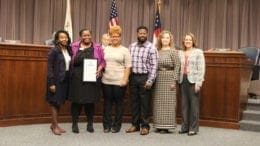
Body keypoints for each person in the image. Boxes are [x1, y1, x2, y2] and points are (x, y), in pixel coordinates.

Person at [69, 29, 105, 133]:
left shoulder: (98, 47)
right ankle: (74, 124)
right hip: (77, 78)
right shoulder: (74, 46)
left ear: (91, 35)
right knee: (77, 102)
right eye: (84, 35)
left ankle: (90, 124)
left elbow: (103, 61)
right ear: (81, 36)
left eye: (88, 35)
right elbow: (70, 60)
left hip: (92, 78)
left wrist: (100, 68)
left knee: (90, 102)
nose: (87, 37)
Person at [126, 26, 158, 135]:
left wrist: (150, 81)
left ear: (147, 34)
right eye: (140, 33)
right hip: (133, 77)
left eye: (144, 33)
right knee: (134, 102)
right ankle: (135, 125)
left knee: (145, 104)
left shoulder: (151, 47)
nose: (142, 35)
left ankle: (145, 126)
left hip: (145, 77)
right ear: (137, 34)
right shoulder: (131, 47)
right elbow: (128, 63)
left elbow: (154, 66)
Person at [102, 26, 132, 133]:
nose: (114, 38)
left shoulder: (125, 50)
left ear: (120, 37)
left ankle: (116, 125)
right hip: (106, 80)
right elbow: (101, 63)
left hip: (119, 81)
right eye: (112, 36)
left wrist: (125, 79)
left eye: (117, 36)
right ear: (110, 37)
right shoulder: (105, 49)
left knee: (119, 104)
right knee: (107, 103)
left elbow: (128, 66)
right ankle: (106, 125)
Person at [153, 30, 180, 133]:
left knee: (168, 103)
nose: (165, 39)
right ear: (160, 39)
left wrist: (174, 80)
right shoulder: (157, 51)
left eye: (167, 38)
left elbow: (177, 66)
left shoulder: (173, 51)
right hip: (159, 78)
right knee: (158, 103)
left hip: (169, 79)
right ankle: (158, 125)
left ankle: (166, 126)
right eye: (163, 37)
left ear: (170, 40)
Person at [178, 33, 205, 136]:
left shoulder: (198, 52)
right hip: (182, 80)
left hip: (194, 81)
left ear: (193, 41)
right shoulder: (180, 52)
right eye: (186, 40)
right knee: (184, 105)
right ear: (183, 41)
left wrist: (199, 83)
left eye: (190, 40)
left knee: (194, 106)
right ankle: (185, 127)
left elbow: (201, 68)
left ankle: (193, 128)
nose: (188, 41)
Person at [46, 30, 72, 135]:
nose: (64, 39)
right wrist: (51, 83)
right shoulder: (54, 51)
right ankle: (55, 126)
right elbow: (49, 68)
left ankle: (54, 124)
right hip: (55, 80)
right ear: (57, 39)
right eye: (62, 37)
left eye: (66, 37)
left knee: (59, 102)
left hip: (64, 79)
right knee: (54, 102)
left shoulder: (68, 49)